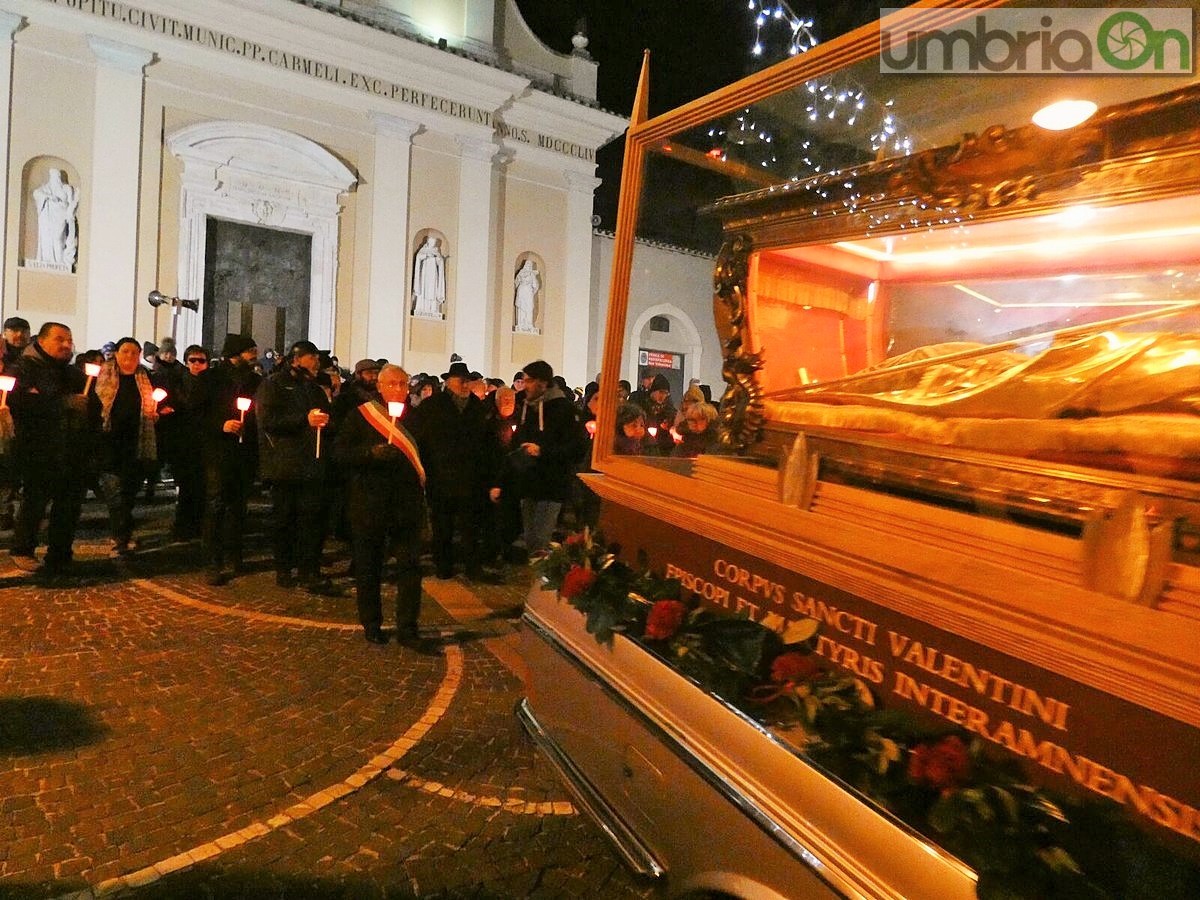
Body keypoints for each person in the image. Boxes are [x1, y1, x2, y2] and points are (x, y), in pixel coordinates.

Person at [334, 364, 436, 651]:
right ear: (379, 386)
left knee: (410, 569)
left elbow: (427, 459)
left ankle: (408, 627)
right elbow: (339, 453)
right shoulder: (361, 416)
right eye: (392, 384)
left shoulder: (415, 419)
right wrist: (369, 454)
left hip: (406, 506)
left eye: (403, 384)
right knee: (369, 568)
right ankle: (372, 623)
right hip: (369, 503)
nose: (398, 390)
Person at [9, 322, 97, 575]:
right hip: (38, 448)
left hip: (72, 449)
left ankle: (60, 553)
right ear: (43, 340)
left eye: (69, 340)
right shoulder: (24, 368)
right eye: (60, 339)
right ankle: (22, 549)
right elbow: (20, 402)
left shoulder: (72, 373)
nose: (66, 345)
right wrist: (63, 403)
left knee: (68, 504)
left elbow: (92, 403)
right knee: (35, 501)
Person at [255, 339, 336, 592]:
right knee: (285, 520)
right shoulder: (274, 384)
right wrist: (304, 419)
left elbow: (326, 418)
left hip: (312, 464)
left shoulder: (313, 389)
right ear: (295, 359)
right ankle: (284, 568)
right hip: (285, 465)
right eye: (312, 357)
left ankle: (309, 570)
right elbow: (268, 420)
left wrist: (326, 422)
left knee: (311, 520)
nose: (316, 362)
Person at [409, 360, 499, 582]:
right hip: (441, 475)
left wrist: (491, 476)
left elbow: (489, 444)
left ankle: (471, 565)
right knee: (443, 525)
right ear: (448, 382)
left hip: (471, 477)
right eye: (461, 381)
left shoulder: (477, 408)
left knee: (470, 527)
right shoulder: (433, 406)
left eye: (468, 381)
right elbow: (420, 438)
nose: (465, 385)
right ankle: (444, 564)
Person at [493, 359, 586, 556]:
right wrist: (501, 480)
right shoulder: (528, 408)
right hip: (528, 484)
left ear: (543, 383)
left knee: (540, 541)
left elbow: (576, 448)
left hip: (551, 485)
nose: (524, 385)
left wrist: (542, 451)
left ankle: (542, 582)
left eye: (529, 381)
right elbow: (515, 445)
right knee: (530, 539)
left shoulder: (564, 410)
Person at [198, 333, 261, 586]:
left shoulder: (255, 381)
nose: (254, 356)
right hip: (218, 451)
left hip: (244, 452)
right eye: (250, 351)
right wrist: (220, 424)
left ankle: (235, 553)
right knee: (216, 504)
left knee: (239, 506)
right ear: (235, 354)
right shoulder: (210, 379)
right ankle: (212, 560)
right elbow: (196, 414)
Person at [95, 337, 159, 556]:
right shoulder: (103, 374)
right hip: (109, 444)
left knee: (130, 494)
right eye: (125, 352)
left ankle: (122, 533)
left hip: (136, 443)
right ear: (117, 353)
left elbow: (152, 403)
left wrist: (154, 413)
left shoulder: (145, 377)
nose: (129, 357)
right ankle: (120, 538)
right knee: (115, 495)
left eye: (134, 352)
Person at [166, 345, 209, 541]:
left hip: (205, 441)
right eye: (193, 360)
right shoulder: (177, 382)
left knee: (202, 487)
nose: (197, 364)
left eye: (201, 360)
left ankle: (199, 525)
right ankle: (183, 527)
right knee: (186, 486)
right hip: (184, 442)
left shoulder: (212, 384)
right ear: (186, 362)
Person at [33, 168, 79, 267]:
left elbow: (70, 205)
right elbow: (36, 193)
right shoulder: (46, 188)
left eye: (57, 176)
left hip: (61, 217)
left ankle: (59, 261)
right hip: (48, 218)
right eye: (53, 176)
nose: (56, 178)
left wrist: (73, 204)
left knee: (58, 238)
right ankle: (48, 260)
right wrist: (49, 196)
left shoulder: (66, 188)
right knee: (47, 237)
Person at [412, 236, 446, 318]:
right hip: (424, 275)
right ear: (428, 242)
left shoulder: (436, 251)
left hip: (433, 275)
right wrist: (426, 255)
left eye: (434, 243)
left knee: (433, 290)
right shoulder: (423, 250)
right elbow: (418, 257)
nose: (433, 245)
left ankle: (433, 308)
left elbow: (440, 262)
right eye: (431, 243)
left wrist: (438, 258)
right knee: (424, 289)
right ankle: (422, 307)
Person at [514, 259, 540, 333]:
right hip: (521, 291)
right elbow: (516, 282)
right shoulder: (521, 273)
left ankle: (529, 324)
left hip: (528, 292)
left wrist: (532, 292)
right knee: (521, 307)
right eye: (527, 264)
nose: (528, 266)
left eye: (530, 265)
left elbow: (535, 286)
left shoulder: (532, 274)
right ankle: (520, 324)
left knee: (529, 308)